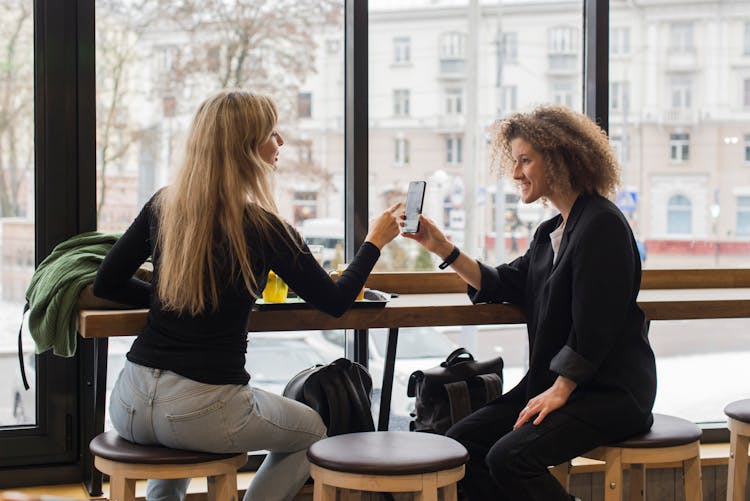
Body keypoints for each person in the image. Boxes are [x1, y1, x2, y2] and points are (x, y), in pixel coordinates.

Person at [93, 89, 402, 501]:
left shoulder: (164, 205)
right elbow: (335, 301)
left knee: (174, 445)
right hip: (200, 408)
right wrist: (375, 242)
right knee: (311, 432)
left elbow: (106, 283)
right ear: (246, 148)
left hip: (129, 401)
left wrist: (170, 300)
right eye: (272, 133)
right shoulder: (262, 226)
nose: (281, 142)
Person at [402, 105, 656, 501]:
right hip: (553, 385)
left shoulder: (601, 224)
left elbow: (597, 325)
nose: (516, 173)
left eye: (526, 160)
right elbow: (501, 282)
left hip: (609, 393)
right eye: (514, 161)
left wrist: (561, 387)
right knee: (460, 444)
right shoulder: (551, 232)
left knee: (509, 458)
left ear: (559, 159)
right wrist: (440, 246)